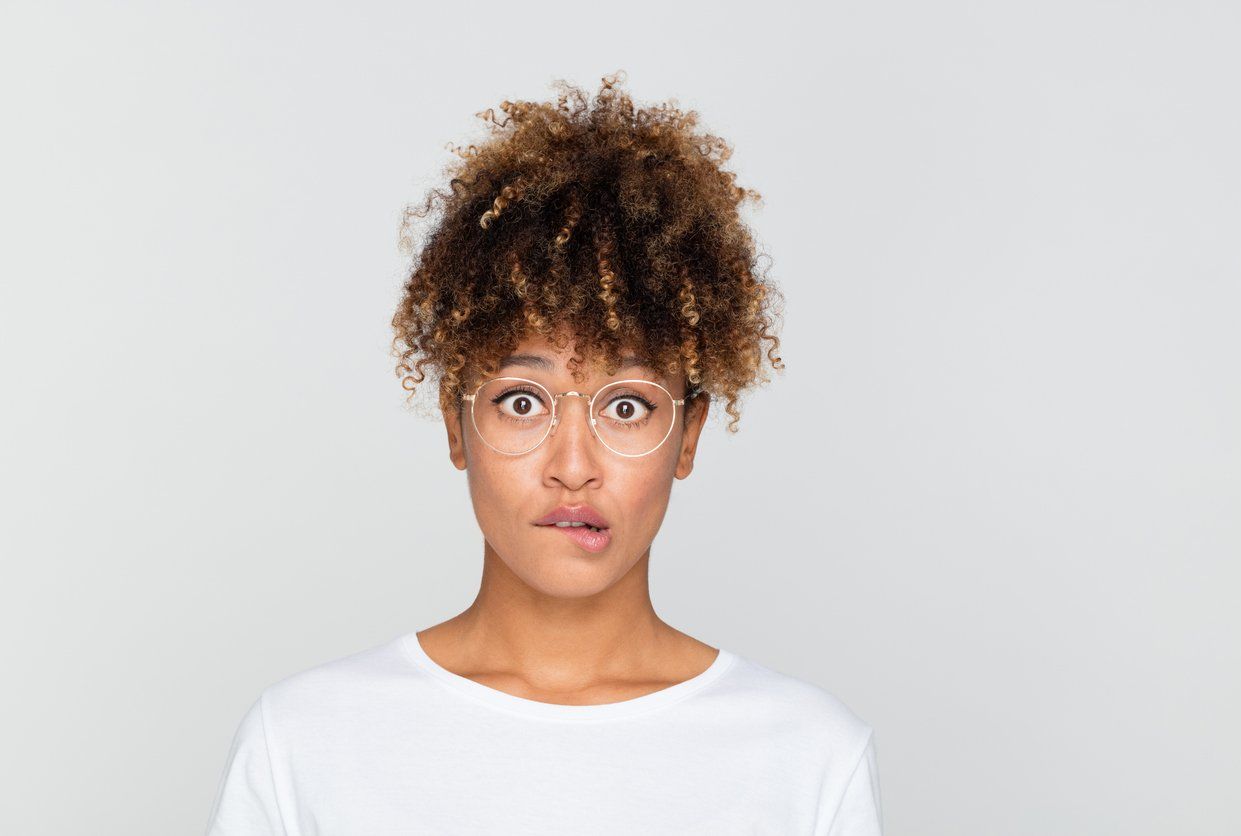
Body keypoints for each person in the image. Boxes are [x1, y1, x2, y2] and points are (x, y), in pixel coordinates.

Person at [205, 71, 883, 835]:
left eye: (626, 407)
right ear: (456, 427)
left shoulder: (806, 758)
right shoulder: (303, 744)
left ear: (687, 437)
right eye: (520, 401)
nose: (572, 464)